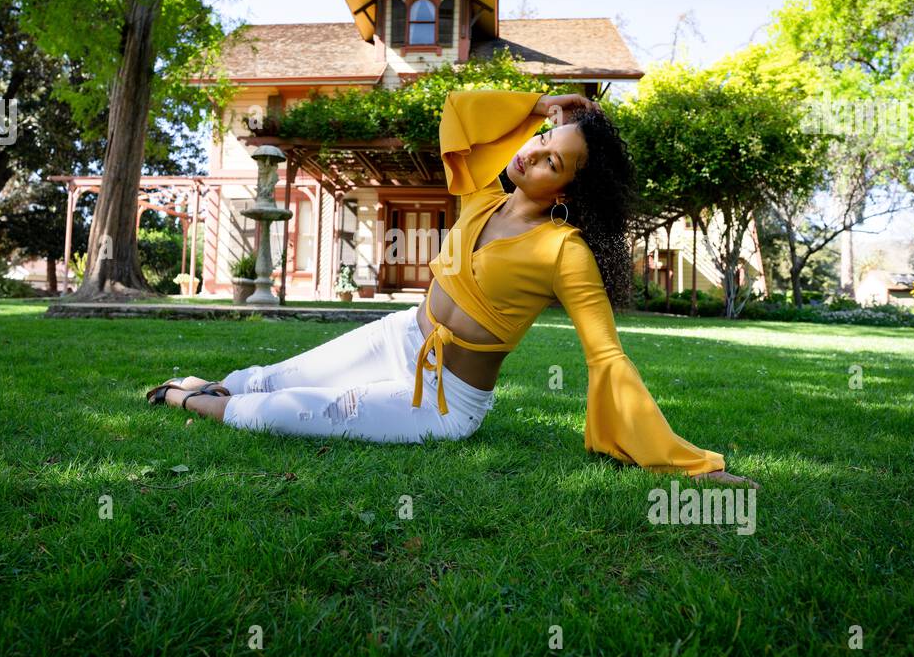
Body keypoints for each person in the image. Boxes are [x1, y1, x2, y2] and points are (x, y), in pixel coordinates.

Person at [147, 89, 756, 486]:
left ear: (567, 191)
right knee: (279, 373)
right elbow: (459, 111)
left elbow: (606, 356)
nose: (534, 155)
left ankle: (188, 399)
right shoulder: (482, 193)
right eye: (541, 143)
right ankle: (215, 383)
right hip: (397, 336)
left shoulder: (563, 251)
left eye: (553, 161)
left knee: (287, 410)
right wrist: (544, 104)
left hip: (441, 400)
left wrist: (685, 462)